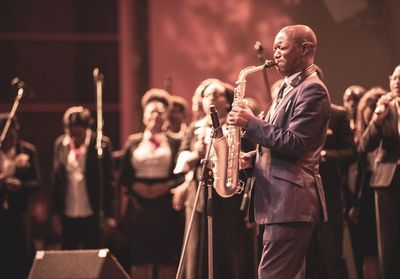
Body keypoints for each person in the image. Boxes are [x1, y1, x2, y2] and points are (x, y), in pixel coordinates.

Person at [228, 24, 330, 278]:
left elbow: (295, 143)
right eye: (274, 48)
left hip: (290, 201)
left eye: (281, 47)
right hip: (278, 201)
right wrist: (249, 160)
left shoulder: (312, 89)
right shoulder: (288, 88)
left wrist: (250, 123)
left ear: (305, 48)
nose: (275, 55)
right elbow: (277, 144)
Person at [119, 89, 184, 279]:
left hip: (166, 205)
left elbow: (182, 173)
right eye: (151, 112)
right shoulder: (133, 142)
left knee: (166, 257)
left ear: (166, 117)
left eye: (160, 112)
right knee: (140, 257)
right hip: (139, 208)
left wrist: (164, 187)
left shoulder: (174, 142)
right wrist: (138, 187)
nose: (155, 116)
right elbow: (124, 176)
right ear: (144, 116)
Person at [51, 106, 115, 250]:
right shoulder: (60, 144)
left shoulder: (101, 144)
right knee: (69, 254)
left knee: (92, 255)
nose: (74, 137)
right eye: (70, 132)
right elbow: (56, 180)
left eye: (78, 133)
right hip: (69, 211)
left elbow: (109, 182)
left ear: (86, 129)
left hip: (92, 211)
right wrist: (55, 213)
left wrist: (110, 215)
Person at [358, 65, 400, 279]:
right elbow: (364, 145)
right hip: (387, 182)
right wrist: (376, 119)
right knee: (389, 242)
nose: (397, 82)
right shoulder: (385, 109)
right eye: (394, 77)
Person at [0, 113, 41, 279]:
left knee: (22, 258)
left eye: (12, 137)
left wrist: (21, 186)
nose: (10, 142)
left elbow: (37, 182)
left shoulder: (28, 150)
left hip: (19, 213)